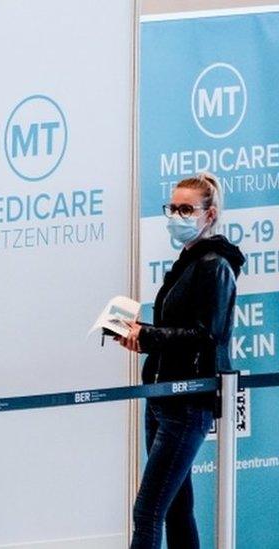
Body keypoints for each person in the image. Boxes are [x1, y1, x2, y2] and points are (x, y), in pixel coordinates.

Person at [119, 173, 244, 548]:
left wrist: (150, 335)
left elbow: (209, 335)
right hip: (162, 396)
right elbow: (178, 330)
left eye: (186, 208)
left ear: (210, 214)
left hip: (187, 402)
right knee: (174, 507)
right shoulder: (187, 261)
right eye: (172, 208)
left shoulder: (214, 265)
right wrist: (141, 338)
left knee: (148, 511)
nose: (176, 215)